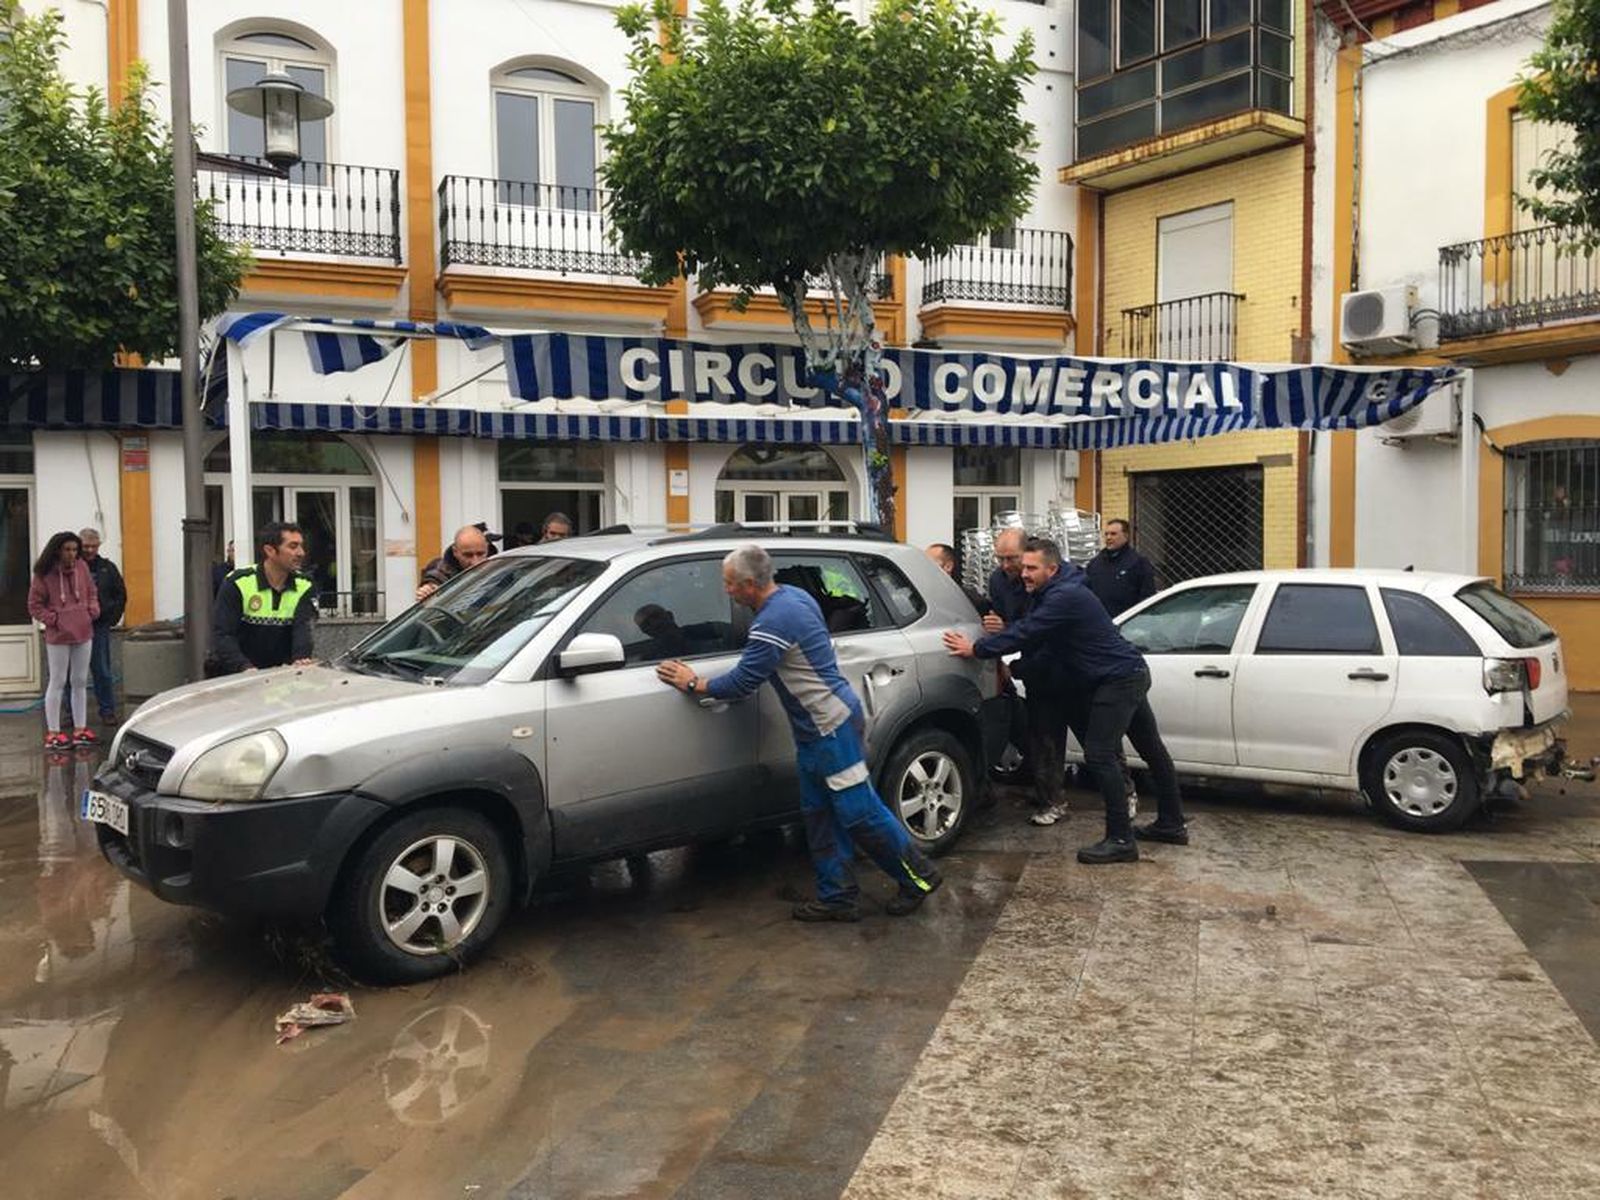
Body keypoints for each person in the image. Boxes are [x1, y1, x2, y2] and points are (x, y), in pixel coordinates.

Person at [655, 544, 942, 921]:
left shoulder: (774, 620)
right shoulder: (794, 595)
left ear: (748, 584)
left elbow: (742, 681)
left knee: (859, 812)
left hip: (830, 728)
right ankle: (837, 897)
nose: (726, 591)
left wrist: (694, 684)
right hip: (817, 729)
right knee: (819, 813)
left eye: (729, 584)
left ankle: (918, 876)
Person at [944, 537, 1188, 864]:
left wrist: (977, 650)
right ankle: (1171, 824)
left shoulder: (1063, 597)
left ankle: (1120, 839)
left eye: (1032, 568)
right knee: (1152, 749)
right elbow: (1050, 647)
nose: (1025, 574)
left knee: (1100, 754)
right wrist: (1016, 666)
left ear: (1052, 569)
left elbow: (1026, 632)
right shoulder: (1057, 592)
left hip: (1117, 680)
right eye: (1024, 567)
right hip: (1128, 672)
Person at [208, 522, 317, 676]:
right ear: (270, 550)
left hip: (281, 679)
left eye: (301, 546)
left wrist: (301, 659)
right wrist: (245, 668)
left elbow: (303, 630)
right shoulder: (238, 582)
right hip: (236, 677)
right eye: (293, 546)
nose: (301, 553)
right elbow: (223, 634)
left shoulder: (304, 585)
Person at [28, 531, 100, 749]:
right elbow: (34, 605)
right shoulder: (44, 573)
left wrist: (92, 610)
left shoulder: (82, 567)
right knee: (58, 681)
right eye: (68, 549)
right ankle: (54, 732)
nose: (72, 554)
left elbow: (91, 591)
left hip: (83, 631)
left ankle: (80, 729)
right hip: (58, 635)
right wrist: (53, 619)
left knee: (79, 681)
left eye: (75, 550)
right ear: (58, 550)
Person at [984, 527, 1032, 785]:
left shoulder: (1038, 578)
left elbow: (1037, 625)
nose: (1005, 565)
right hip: (1020, 657)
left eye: (1011, 558)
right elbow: (1000, 622)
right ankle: (1040, 786)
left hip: (1049, 657)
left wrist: (1007, 628)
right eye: (1000, 558)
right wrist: (998, 660)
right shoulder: (997, 579)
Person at [78, 529, 126, 724]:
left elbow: (121, 594)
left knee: (103, 671)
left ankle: (107, 711)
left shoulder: (107, 568)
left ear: (98, 545)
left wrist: (111, 618)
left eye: (93, 546)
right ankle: (69, 713)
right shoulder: (71, 567)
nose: (89, 550)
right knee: (71, 673)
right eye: (85, 546)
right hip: (74, 627)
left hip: (99, 627)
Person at [1086, 519, 1158, 618]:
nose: (1108, 537)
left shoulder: (1138, 563)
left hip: (1127, 623)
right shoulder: (1095, 564)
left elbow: (1147, 597)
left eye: (1113, 534)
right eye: (1106, 534)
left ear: (1126, 535)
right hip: (1100, 622)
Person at [416, 525, 491, 601]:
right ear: (455, 552)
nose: (475, 562)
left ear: (487, 548)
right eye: (468, 555)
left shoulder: (499, 564)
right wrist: (428, 591)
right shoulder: (442, 570)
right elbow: (435, 579)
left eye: (480, 554)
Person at [924, 543, 991, 615]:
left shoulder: (971, 601)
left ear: (948, 567)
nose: (925, 567)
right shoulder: (918, 597)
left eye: (930, 563)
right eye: (924, 562)